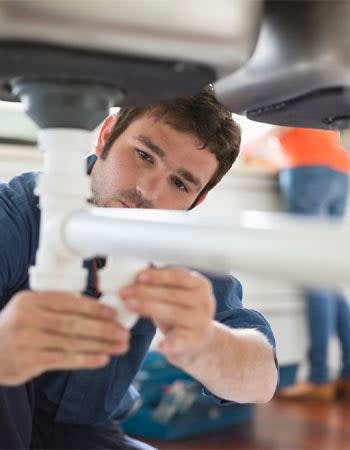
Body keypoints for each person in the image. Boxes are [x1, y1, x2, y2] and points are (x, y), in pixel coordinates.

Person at [0, 86, 278, 449]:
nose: (148, 191)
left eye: (179, 183)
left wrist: (206, 342)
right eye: (144, 155)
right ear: (105, 136)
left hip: (89, 432)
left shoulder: (176, 243)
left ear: (198, 200)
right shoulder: (19, 212)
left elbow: (262, 381)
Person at [244, 126, 350, 401]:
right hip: (340, 166)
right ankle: (347, 374)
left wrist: (253, 143)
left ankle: (319, 378)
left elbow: (284, 115)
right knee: (326, 276)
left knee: (314, 275)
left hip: (308, 165)